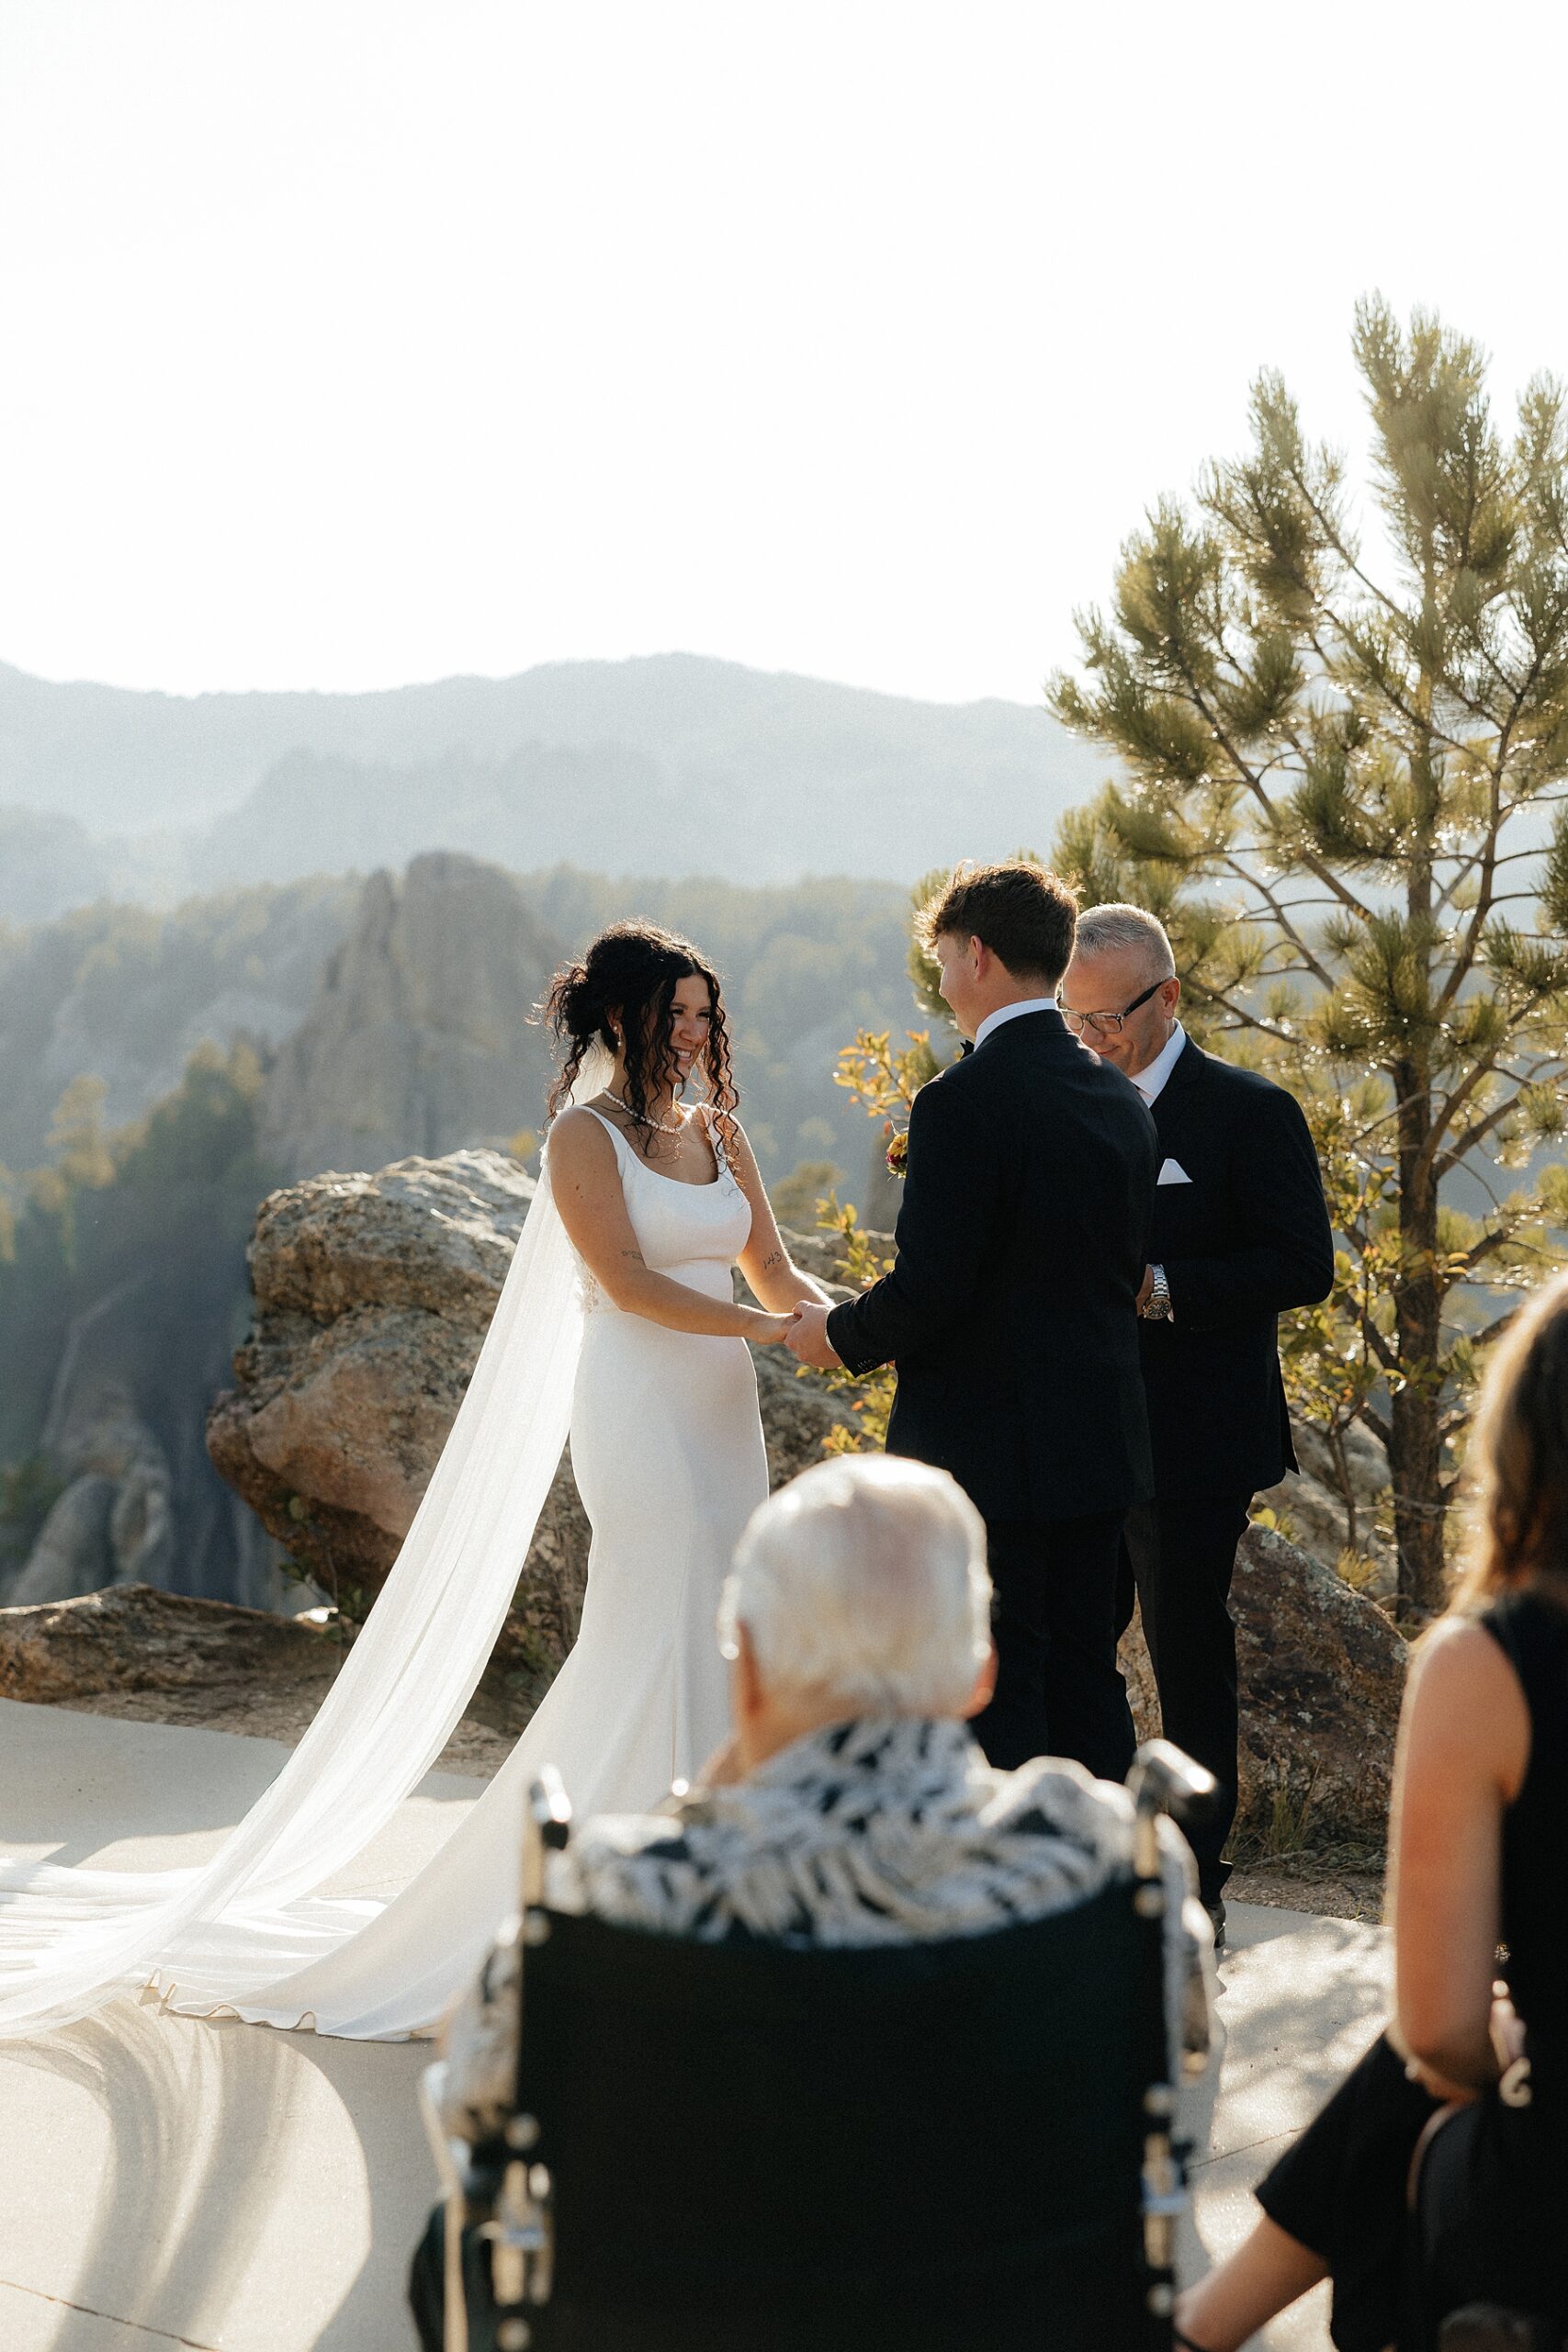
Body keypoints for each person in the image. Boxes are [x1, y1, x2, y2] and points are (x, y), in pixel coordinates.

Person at [0, 920, 832, 2041]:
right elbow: (629, 1285)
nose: (692, 1034)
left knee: (724, 1621)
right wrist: (769, 1331)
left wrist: (860, 1320)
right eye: (673, 1013)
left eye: (702, 1015)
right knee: (657, 1625)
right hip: (640, 1406)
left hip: (723, 1409)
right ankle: (624, 1905)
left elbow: (778, 1272)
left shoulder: (722, 1133)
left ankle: (713, 1890)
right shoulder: (583, 1139)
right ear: (624, 1017)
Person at [436, 1452, 1213, 2151]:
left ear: (745, 1672)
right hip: (1002, 2298)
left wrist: (698, 1803)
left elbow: (473, 2093)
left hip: (704, 2298)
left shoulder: (619, 1883)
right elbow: (1180, 2048)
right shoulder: (1108, 1852)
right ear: (982, 1672)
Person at [1174, 1271, 1568, 2351]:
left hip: (1548, 2208)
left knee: (1426, 2090)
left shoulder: (1494, 1662)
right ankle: (1202, 2329)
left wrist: (1515, 2047)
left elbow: (1439, 2031)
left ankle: (1204, 2330)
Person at [788, 863, 1158, 1784]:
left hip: (989, 1451)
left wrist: (832, 1335)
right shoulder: (1120, 1098)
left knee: (996, 1677)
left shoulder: (961, 1101)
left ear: (978, 955)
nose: (945, 982)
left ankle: (1005, 1897)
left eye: (947, 960)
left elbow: (934, 1287)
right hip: (1101, 1440)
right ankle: (1106, 1886)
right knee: (1086, 1672)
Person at [1058, 906, 1333, 1936]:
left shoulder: (1251, 1111)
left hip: (1197, 1437)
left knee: (1186, 1653)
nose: (1089, 1038)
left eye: (1107, 1018)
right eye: (1072, 1017)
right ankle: (1095, 1869)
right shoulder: (1068, 1099)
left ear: (1168, 997)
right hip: (1080, 1425)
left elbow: (1304, 1263)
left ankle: (1198, 1884)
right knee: (1074, 1646)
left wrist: (1163, 1284)